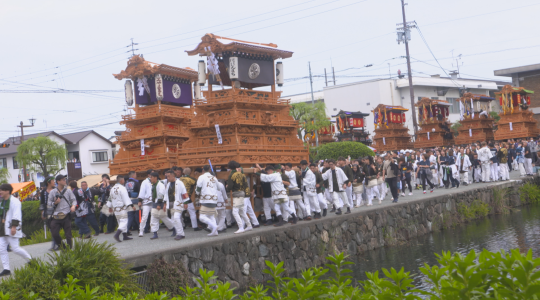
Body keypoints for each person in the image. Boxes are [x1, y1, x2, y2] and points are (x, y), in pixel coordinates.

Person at [0, 184, 32, 276]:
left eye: (1, 190)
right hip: (3, 228)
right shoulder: (2, 201)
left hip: (11, 227)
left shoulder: (14, 201)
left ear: (7, 191)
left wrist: (14, 227)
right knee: (1, 249)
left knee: (15, 248)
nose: (0, 192)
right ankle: (6, 269)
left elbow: (16, 215)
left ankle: (31, 260)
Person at [47, 175, 77, 249]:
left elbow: (74, 200)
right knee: (54, 234)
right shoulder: (52, 192)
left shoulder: (68, 191)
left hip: (66, 214)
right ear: (58, 181)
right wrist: (55, 203)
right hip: (56, 216)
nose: (65, 181)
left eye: (65, 179)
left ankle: (69, 250)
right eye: (63, 179)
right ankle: (63, 247)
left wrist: (73, 206)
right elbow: (48, 203)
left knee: (68, 235)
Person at [227, 161, 253, 232]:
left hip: (236, 194)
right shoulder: (242, 174)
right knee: (241, 211)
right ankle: (249, 225)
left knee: (235, 212)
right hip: (243, 193)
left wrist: (227, 187)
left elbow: (230, 187)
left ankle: (241, 227)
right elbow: (245, 184)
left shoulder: (232, 174)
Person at [106, 176, 134, 242]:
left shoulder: (112, 188)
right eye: (124, 180)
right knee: (124, 221)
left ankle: (125, 236)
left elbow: (110, 198)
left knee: (120, 221)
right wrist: (131, 205)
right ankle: (117, 234)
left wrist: (109, 206)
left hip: (115, 208)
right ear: (121, 180)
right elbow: (126, 198)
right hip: (122, 208)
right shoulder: (122, 188)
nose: (124, 181)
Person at [148, 172, 175, 239]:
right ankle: (155, 233)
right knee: (153, 218)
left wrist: (159, 204)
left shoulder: (160, 185)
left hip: (160, 203)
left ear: (155, 177)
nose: (150, 178)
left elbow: (161, 194)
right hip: (154, 203)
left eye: (151, 177)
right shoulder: (153, 185)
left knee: (164, 218)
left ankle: (174, 228)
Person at [196, 165, 220, 237]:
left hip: (206, 199)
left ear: (203, 170)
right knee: (211, 215)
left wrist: (197, 192)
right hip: (214, 199)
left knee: (202, 217)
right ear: (209, 170)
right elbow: (219, 188)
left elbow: (198, 188)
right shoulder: (214, 178)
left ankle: (214, 226)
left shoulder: (201, 177)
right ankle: (215, 232)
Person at [163, 170, 187, 240]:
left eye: (169, 176)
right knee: (173, 220)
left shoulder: (179, 183)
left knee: (176, 217)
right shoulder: (168, 184)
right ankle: (178, 233)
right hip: (171, 203)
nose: (167, 178)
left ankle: (181, 233)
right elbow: (165, 195)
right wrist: (164, 204)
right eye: (167, 176)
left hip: (178, 203)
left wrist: (185, 202)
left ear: (173, 176)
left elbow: (184, 192)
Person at [40, 176, 58, 251]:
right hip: (48, 212)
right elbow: (42, 203)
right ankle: (56, 244)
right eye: (53, 181)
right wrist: (42, 212)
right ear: (48, 182)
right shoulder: (43, 192)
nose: (54, 182)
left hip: (57, 211)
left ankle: (55, 245)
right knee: (52, 229)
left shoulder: (56, 190)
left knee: (55, 228)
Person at [138, 170, 154, 236]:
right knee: (144, 216)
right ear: (148, 175)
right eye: (152, 174)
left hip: (153, 201)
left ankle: (154, 230)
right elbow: (142, 191)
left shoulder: (155, 181)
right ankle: (141, 230)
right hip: (146, 201)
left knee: (154, 216)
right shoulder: (145, 182)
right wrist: (140, 200)